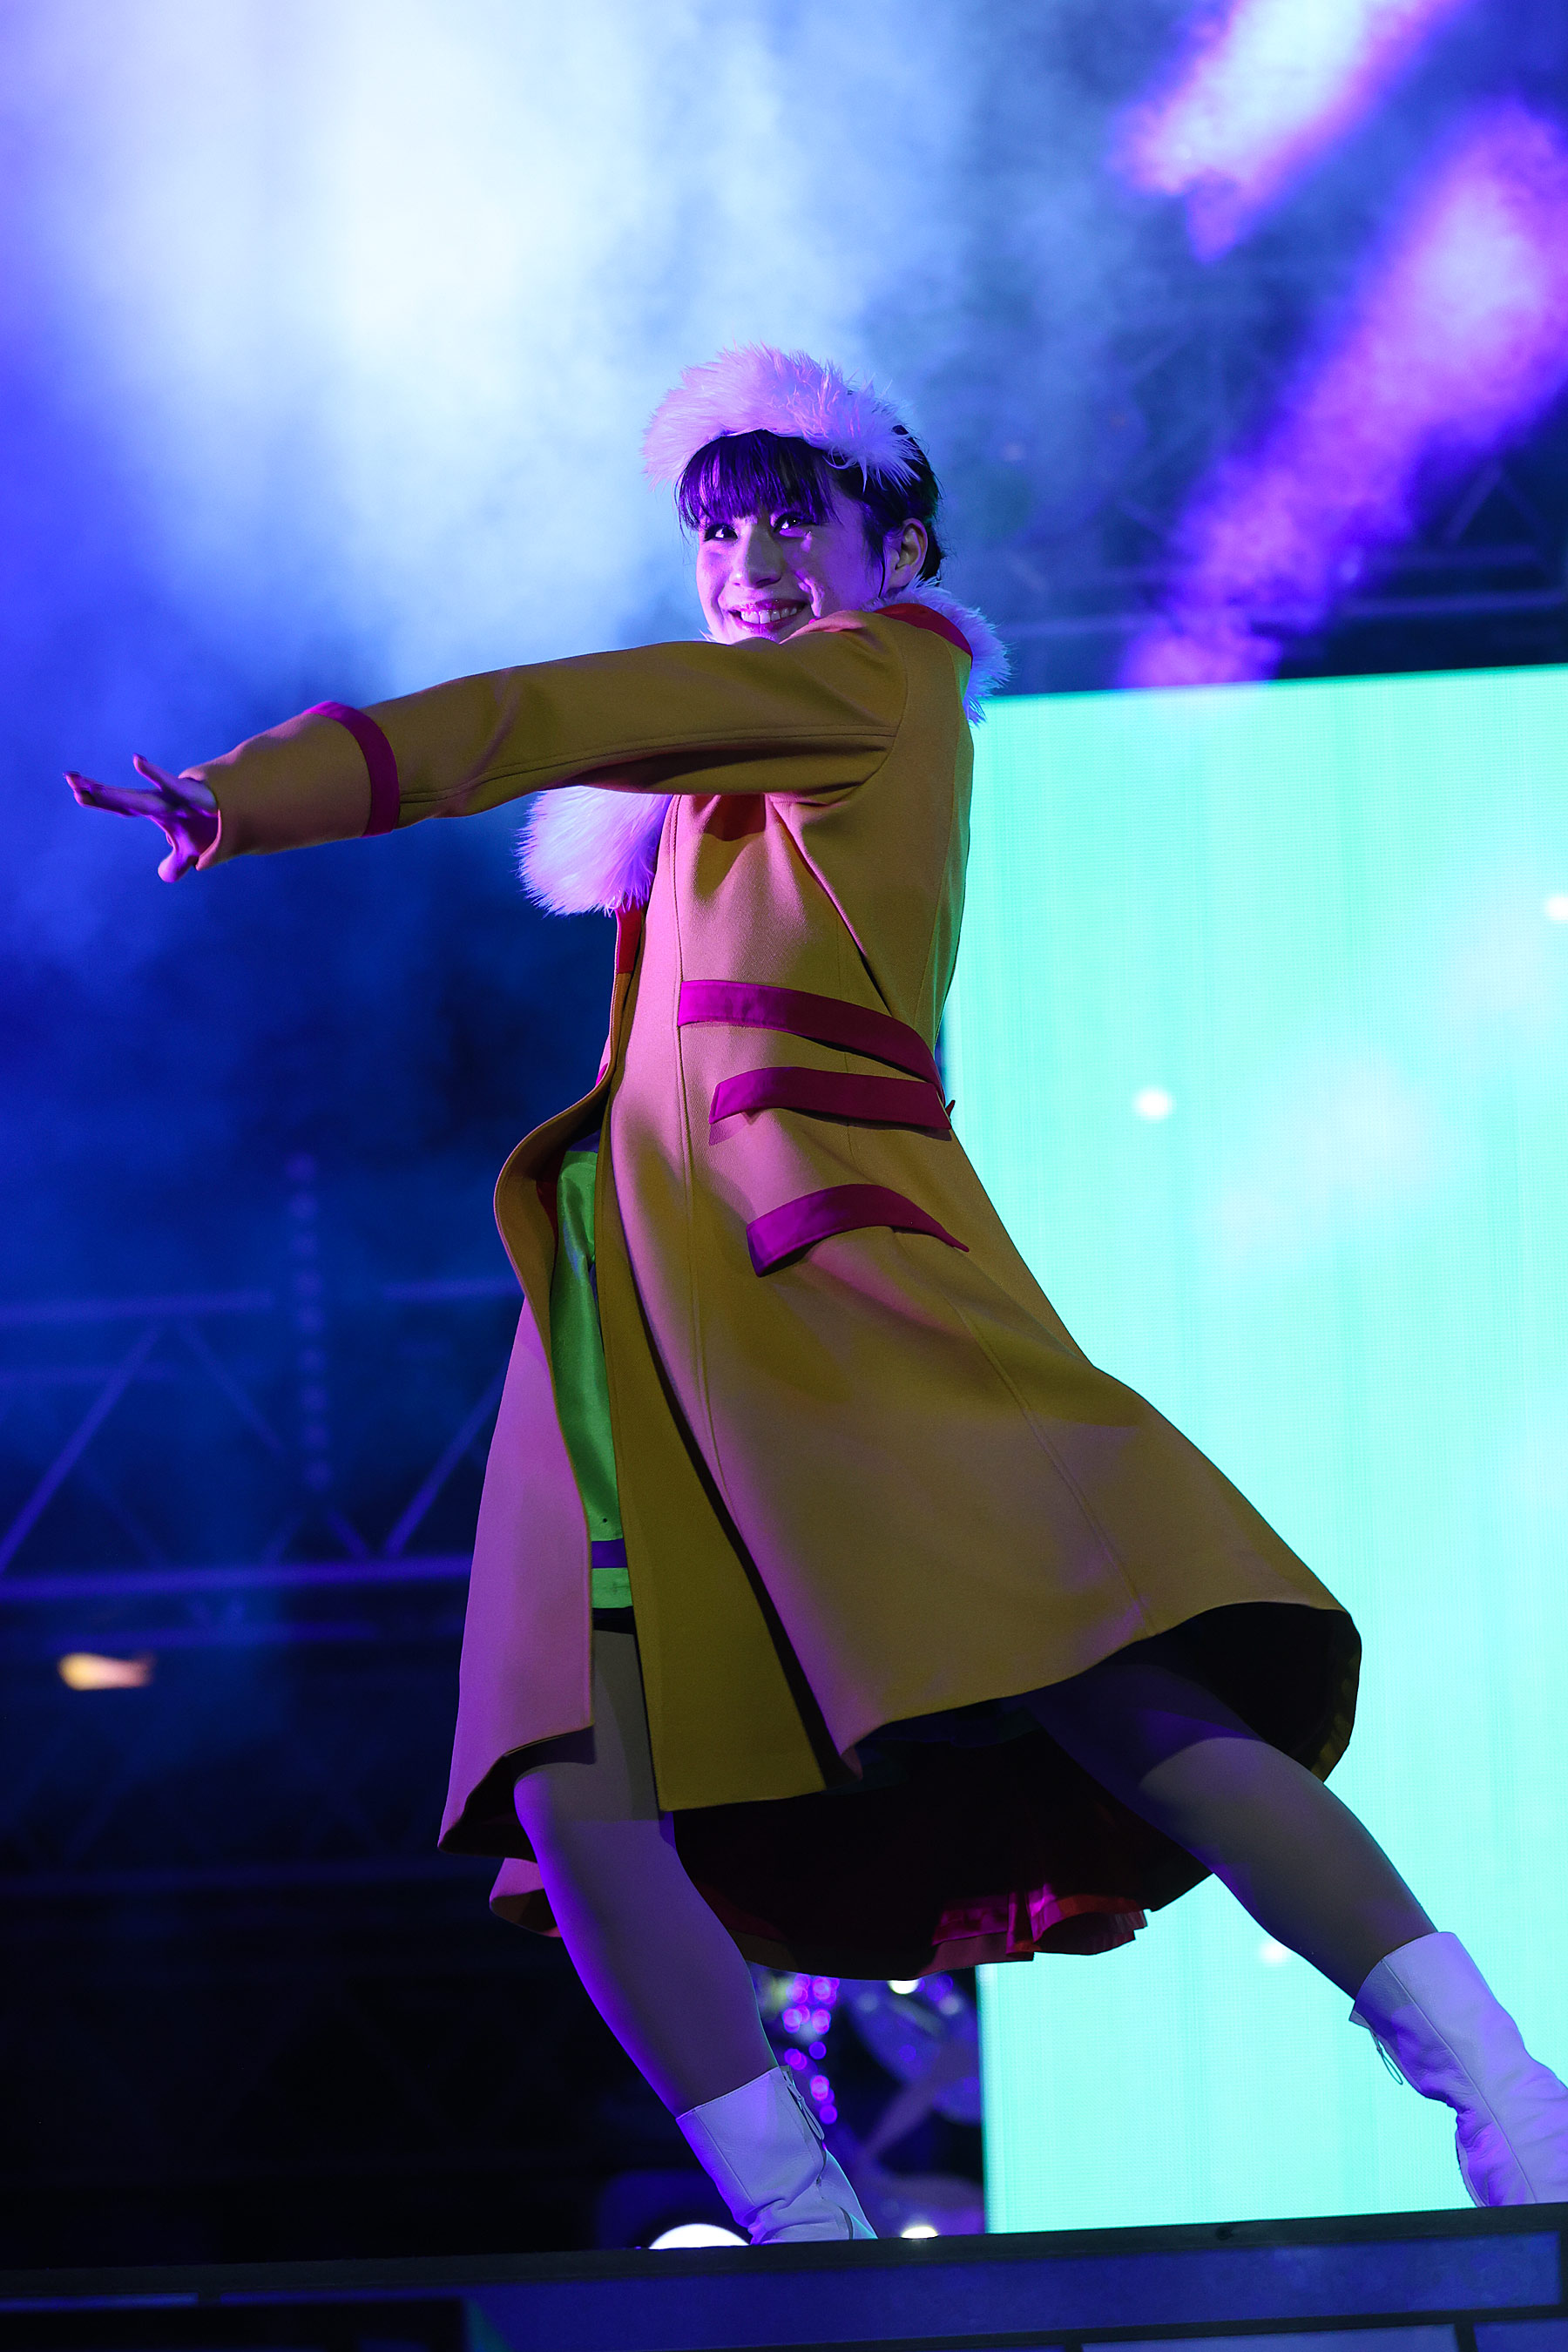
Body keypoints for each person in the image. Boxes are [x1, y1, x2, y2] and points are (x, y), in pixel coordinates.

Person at [69, 345, 1568, 2245]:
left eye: (795, 520)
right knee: (573, 1783)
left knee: (1111, 1687)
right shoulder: (711, 790)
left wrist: (275, 787)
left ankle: (1506, 2094)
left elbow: (558, 710)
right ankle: (811, 2241)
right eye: (718, 533)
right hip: (632, 1315)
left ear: (897, 549)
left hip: (829, 1281)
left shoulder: (880, 682)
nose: (753, 563)